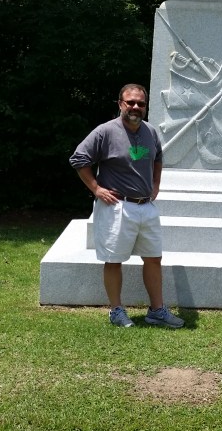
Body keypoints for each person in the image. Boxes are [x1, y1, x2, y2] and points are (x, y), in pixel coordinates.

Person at [69, 83, 184, 329]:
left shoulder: (150, 132)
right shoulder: (105, 131)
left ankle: (157, 311)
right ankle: (116, 311)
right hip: (117, 206)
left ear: (146, 106)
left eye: (140, 103)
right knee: (114, 260)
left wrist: (156, 184)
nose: (135, 107)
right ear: (120, 104)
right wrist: (96, 189)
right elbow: (79, 159)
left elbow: (158, 158)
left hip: (146, 207)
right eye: (130, 102)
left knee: (153, 258)